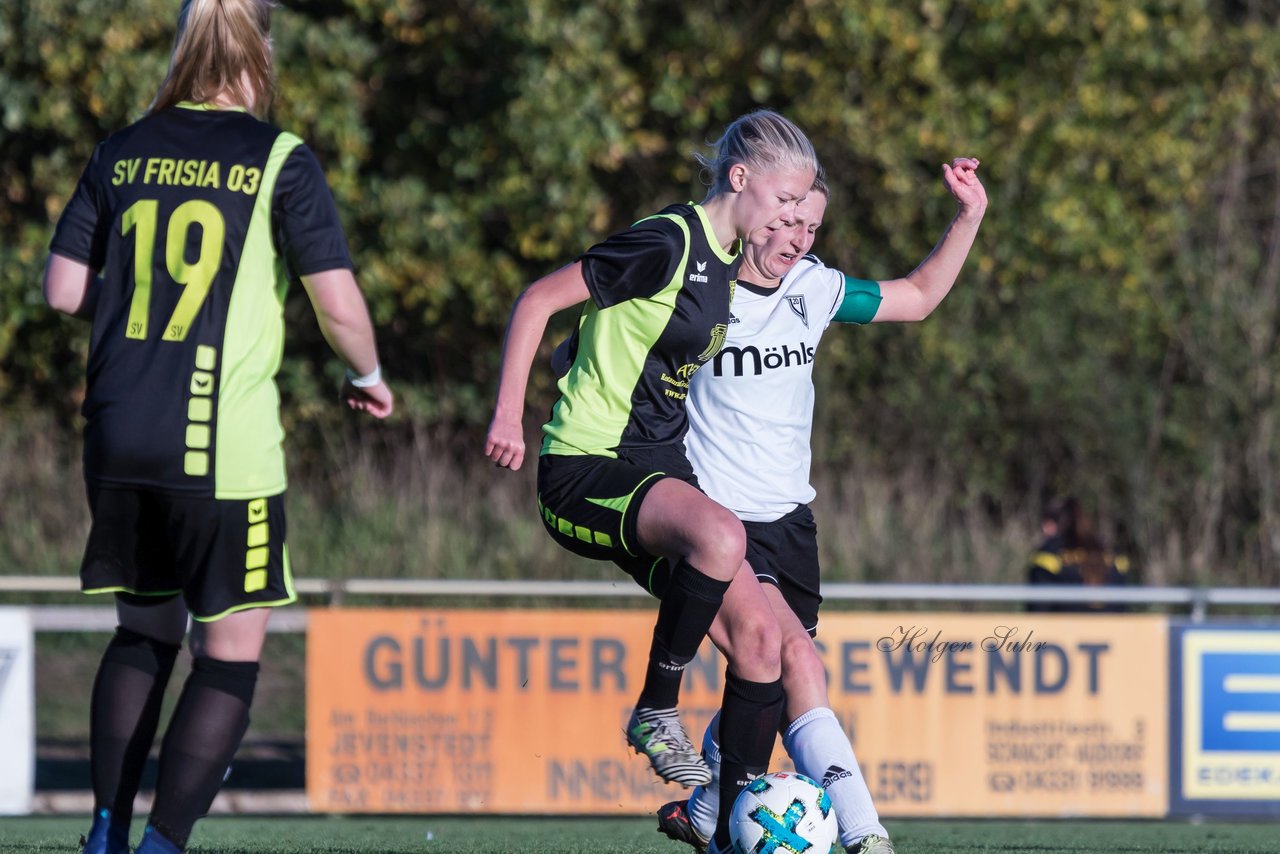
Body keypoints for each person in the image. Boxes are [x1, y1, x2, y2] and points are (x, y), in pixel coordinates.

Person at [44, 2, 393, 852]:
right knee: (228, 656)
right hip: (220, 449)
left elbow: (60, 291)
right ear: (260, 51)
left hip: (120, 436)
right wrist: (368, 375)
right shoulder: (280, 159)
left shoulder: (120, 150)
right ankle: (164, 845)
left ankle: (103, 834)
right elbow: (338, 303)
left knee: (142, 634)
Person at [485, 111, 818, 847]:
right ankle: (656, 707)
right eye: (787, 200)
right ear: (741, 180)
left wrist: (575, 355)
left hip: (660, 476)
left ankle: (729, 837)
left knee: (762, 640)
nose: (795, 215)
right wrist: (509, 415)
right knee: (722, 533)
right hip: (585, 468)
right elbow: (539, 299)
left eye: (802, 206)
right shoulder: (668, 238)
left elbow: (629, 332)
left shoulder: (729, 267)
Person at [656, 158, 987, 854]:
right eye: (788, 218)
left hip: (791, 527)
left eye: (812, 224)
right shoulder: (696, 291)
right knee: (798, 662)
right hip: (720, 525)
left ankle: (709, 805)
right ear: (754, 209)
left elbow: (919, 297)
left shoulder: (815, 288)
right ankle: (867, 837)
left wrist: (968, 217)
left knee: (772, 680)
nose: (799, 236)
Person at [1027, 496, 1131, 612]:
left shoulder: (1048, 556)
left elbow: (1038, 610)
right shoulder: (1115, 557)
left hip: (1064, 628)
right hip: (1114, 628)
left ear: (1050, 525)